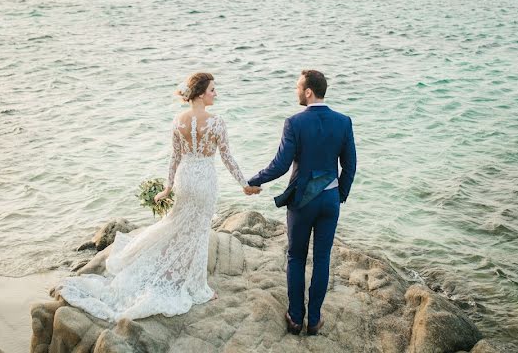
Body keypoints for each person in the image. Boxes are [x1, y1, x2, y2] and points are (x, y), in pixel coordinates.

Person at [53, 72, 255, 321]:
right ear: (201, 93)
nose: (216, 93)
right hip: (204, 180)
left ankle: (172, 271)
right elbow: (227, 158)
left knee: (175, 224)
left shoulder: (178, 120)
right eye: (213, 89)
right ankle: (197, 287)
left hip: (184, 178)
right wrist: (244, 184)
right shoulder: (216, 122)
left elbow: (175, 157)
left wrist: (168, 187)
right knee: (199, 231)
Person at [246, 69, 357, 336]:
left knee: (296, 257)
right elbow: (350, 165)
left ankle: (296, 318)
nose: (296, 90)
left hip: (302, 203)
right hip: (330, 200)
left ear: (308, 91)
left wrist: (255, 180)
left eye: (298, 86)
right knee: (321, 259)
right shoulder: (344, 121)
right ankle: (315, 320)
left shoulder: (294, 123)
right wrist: (339, 194)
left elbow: (281, 164)